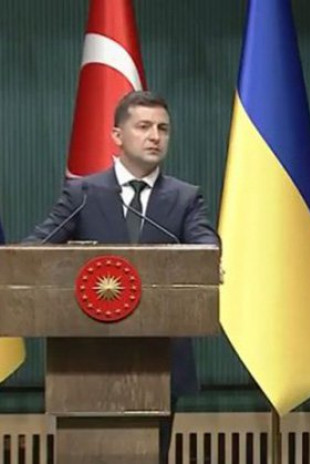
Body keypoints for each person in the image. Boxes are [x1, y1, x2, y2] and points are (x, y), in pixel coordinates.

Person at [26, 90, 220, 463]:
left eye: (163, 128)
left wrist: (210, 257)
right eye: (144, 126)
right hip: (85, 361)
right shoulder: (83, 193)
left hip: (159, 361)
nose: (155, 137)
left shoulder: (185, 197)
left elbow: (205, 247)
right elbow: (36, 249)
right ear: (117, 135)